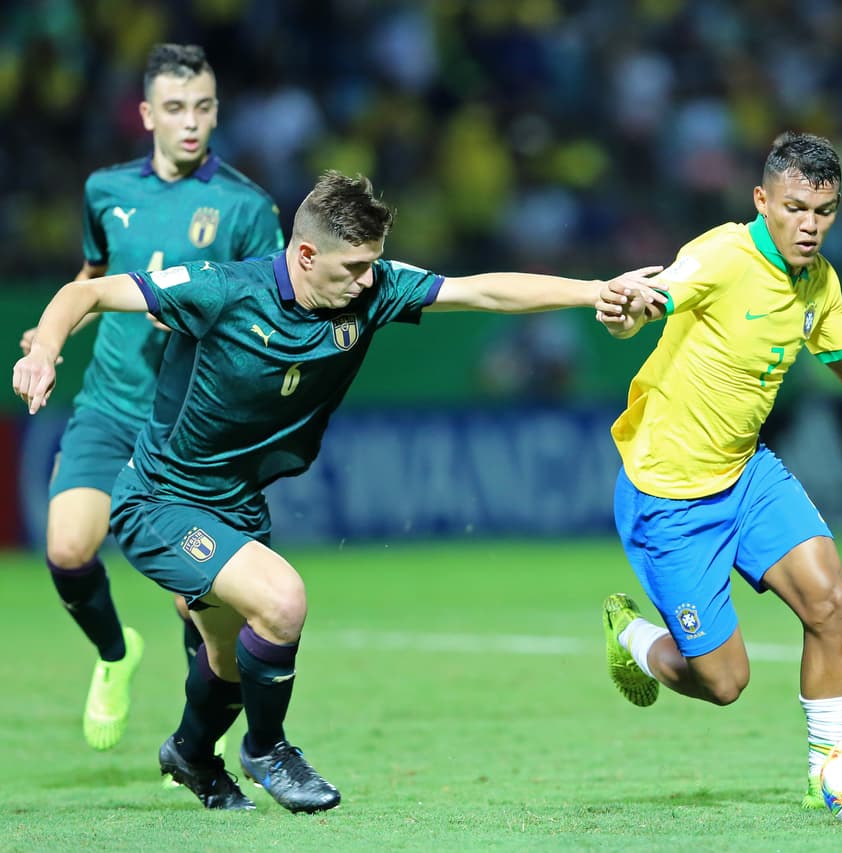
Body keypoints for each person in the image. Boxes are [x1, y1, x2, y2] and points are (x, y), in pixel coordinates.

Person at [14, 170, 660, 812]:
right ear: (304, 255)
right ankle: (267, 749)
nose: (368, 280)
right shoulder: (223, 289)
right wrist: (43, 349)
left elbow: (483, 291)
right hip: (161, 498)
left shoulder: (372, 291)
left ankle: (191, 754)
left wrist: (596, 290)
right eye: (353, 267)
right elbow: (87, 293)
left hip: (237, 504)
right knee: (282, 601)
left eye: (373, 264)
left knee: (227, 658)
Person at [594, 132, 842, 809]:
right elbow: (653, 300)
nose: (809, 226)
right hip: (669, 496)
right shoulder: (721, 255)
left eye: (824, 212)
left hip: (746, 475)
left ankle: (831, 775)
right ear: (761, 201)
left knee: (832, 602)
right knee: (724, 682)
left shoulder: (819, 281)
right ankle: (633, 636)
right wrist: (627, 311)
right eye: (795, 208)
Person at [18, 43, 282, 752]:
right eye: (175, 108)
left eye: (203, 107)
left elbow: (268, 310)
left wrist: (202, 318)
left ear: (217, 112)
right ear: (146, 114)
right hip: (110, 403)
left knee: (195, 599)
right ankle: (115, 655)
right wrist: (54, 333)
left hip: (187, 425)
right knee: (66, 549)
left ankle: (201, 741)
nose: (190, 121)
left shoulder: (247, 207)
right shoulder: (106, 191)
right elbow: (93, 274)